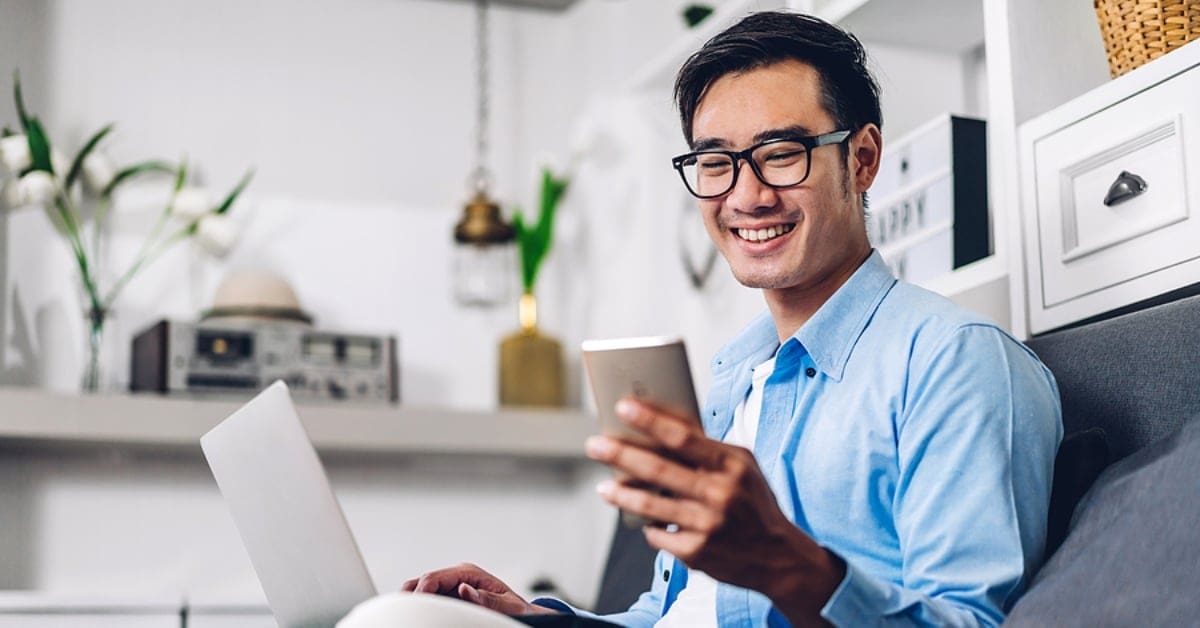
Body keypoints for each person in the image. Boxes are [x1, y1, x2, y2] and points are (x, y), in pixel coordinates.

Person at [404, 10, 1062, 627]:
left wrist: (785, 561)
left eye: (781, 155)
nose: (746, 196)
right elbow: (675, 613)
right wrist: (540, 619)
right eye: (715, 163)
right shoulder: (734, 377)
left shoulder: (957, 361)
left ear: (861, 159)